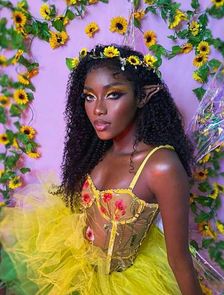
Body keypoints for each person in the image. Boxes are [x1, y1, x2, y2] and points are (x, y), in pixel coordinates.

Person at [0, 44, 204, 294]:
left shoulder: (160, 165)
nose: (97, 109)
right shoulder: (96, 150)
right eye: (89, 96)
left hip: (122, 284)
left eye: (113, 94)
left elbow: (180, 260)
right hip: (71, 270)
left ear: (143, 96)